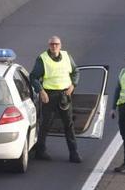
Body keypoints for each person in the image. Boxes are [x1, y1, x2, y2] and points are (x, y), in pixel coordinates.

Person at [31, 35, 82, 163]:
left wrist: (73, 85)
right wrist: (41, 91)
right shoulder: (42, 59)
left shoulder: (66, 56)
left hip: (65, 95)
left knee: (69, 125)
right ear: (49, 45)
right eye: (52, 44)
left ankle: (74, 153)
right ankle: (40, 151)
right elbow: (33, 77)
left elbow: (76, 71)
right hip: (49, 95)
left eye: (56, 44)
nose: (54, 46)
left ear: (60, 45)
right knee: (45, 124)